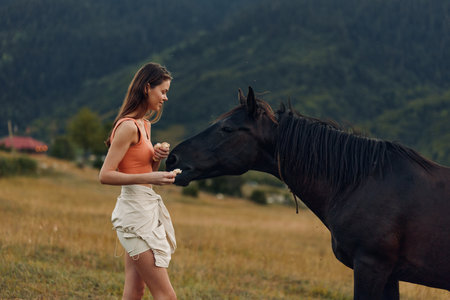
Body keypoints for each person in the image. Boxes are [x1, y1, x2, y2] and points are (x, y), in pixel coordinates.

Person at [99, 62, 177, 300]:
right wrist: (150, 175)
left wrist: (155, 159)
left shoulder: (145, 125)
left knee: (135, 290)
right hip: (134, 215)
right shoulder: (127, 127)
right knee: (166, 295)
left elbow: (143, 171)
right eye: (162, 91)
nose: (164, 98)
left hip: (145, 209)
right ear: (147, 88)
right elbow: (105, 174)